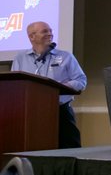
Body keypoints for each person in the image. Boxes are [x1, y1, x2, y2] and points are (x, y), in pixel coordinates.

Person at [11, 21, 87, 149]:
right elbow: (15, 85)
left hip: (60, 111)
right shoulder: (20, 58)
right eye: (45, 31)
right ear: (31, 37)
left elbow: (81, 81)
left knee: (69, 149)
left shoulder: (65, 56)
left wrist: (59, 87)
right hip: (31, 113)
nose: (50, 34)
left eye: (50, 31)